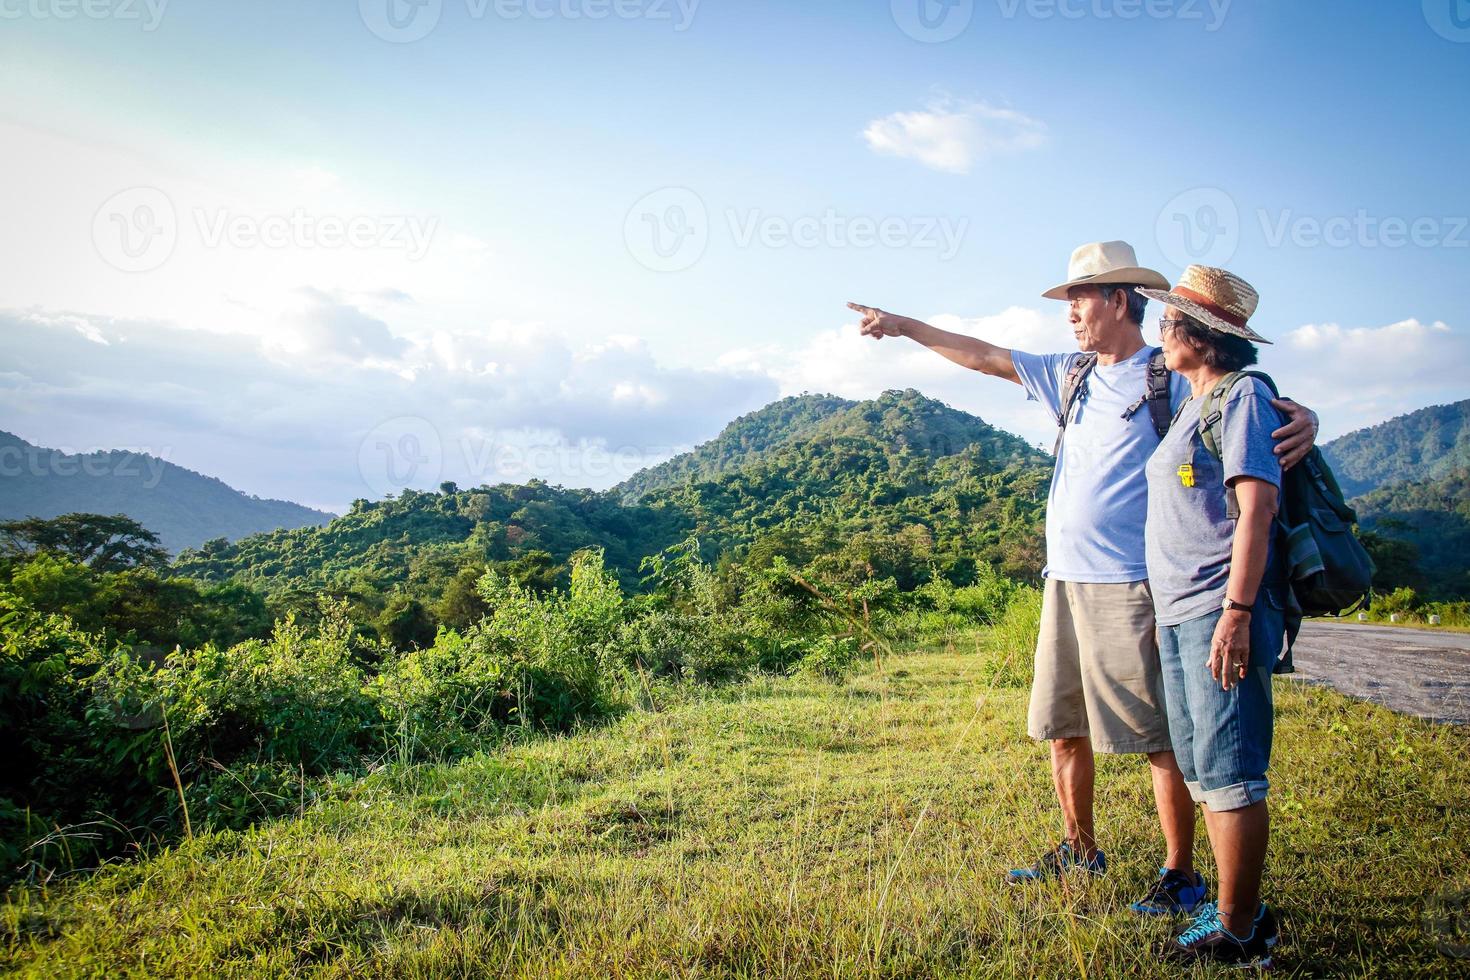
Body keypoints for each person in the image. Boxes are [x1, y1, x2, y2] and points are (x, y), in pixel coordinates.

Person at [846, 241, 1316, 916]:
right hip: (1064, 579)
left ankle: (1180, 872)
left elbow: (1245, 399)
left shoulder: (1172, 373)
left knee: (1160, 735)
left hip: (1136, 584)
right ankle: (1080, 847)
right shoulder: (1071, 374)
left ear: (1118, 300)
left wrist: (1308, 418)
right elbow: (983, 355)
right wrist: (902, 325)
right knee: (1062, 725)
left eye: (1080, 298)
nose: (1070, 312)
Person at [1137, 266, 1286, 967]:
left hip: (1216, 608)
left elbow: (1256, 506)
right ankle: (1232, 912)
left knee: (1230, 769)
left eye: (1168, 324)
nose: (1160, 334)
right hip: (1179, 613)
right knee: (1201, 767)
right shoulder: (1194, 402)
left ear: (1201, 337)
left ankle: (1241, 926)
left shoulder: (1244, 396)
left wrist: (1237, 610)